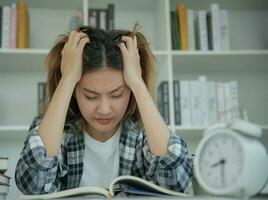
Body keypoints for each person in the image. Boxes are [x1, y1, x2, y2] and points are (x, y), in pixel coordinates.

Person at [15, 25, 193, 195]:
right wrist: (67, 79)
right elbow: (32, 187)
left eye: (116, 94)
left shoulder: (145, 134)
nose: (104, 109)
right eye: (90, 96)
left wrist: (138, 83)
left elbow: (176, 184)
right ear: (74, 92)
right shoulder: (54, 131)